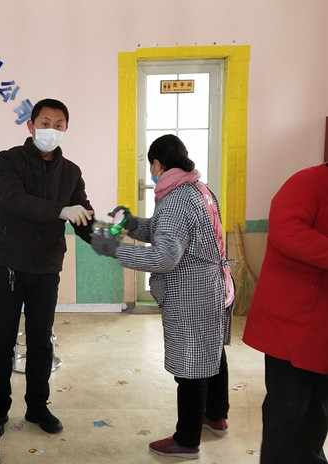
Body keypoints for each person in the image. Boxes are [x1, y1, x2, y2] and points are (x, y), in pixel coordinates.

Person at [90, 134, 234, 459]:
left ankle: (187, 440)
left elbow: (164, 256)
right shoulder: (198, 189)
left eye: (151, 167)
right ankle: (216, 416)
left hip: (191, 293)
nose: (152, 173)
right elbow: (165, 230)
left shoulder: (174, 200)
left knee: (191, 366)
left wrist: (117, 250)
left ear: (157, 164)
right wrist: (131, 224)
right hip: (211, 288)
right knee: (212, 351)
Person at [0, 98, 94, 435]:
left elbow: (83, 215)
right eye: (45, 123)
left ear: (66, 129)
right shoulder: (8, 160)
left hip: (46, 268)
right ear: (31, 126)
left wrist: (112, 236)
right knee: (1, 342)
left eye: (59, 125)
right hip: (7, 266)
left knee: (41, 342)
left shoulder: (71, 172)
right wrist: (60, 210)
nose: (52, 130)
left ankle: (37, 407)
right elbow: (14, 200)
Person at [242, 162, 328, 463]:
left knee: (318, 409)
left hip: (321, 328)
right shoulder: (307, 183)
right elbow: (288, 232)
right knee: (288, 408)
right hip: (291, 322)